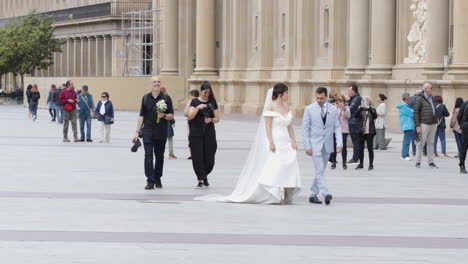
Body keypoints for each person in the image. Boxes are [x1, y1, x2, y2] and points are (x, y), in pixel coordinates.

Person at [195, 84, 301, 204]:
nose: (288, 95)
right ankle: (276, 193)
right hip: (276, 140)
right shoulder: (271, 107)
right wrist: (271, 142)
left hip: (285, 141)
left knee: (288, 166)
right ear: (281, 94)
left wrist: (293, 141)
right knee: (276, 167)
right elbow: (268, 126)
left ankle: (287, 192)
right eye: (286, 93)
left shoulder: (286, 107)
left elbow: (290, 126)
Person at [133, 76, 174, 190]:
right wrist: (137, 132)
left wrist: (164, 115)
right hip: (148, 131)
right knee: (148, 156)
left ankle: (158, 178)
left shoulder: (166, 98)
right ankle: (150, 180)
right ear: (151, 84)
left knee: (159, 157)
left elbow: (171, 115)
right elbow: (141, 115)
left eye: (158, 82)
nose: (156, 83)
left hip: (161, 131)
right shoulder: (145, 98)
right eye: (154, 82)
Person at [303, 87, 342, 205]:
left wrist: (340, 143)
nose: (319, 100)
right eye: (317, 98)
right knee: (319, 169)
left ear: (326, 97)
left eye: (321, 98)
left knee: (320, 171)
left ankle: (312, 194)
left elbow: (337, 127)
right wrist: (307, 146)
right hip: (314, 145)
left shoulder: (333, 109)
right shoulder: (309, 109)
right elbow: (305, 129)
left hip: (328, 145)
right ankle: (326, 193)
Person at [188, 81, 220, 189]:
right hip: (195, 133)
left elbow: (217, 119)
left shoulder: (212, 102)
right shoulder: (194, 101)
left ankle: (205, 174)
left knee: (209, 157)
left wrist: (210, 119)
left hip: (209, 133)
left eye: (208, 93)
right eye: (205, 92)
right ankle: (200, 179)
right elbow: (190, 116)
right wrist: (198, 108)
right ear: (201, 91)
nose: (206, 94)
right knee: (197, 157)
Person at [413, 82, 439, 169]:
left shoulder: (432, 98)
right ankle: (418, 162)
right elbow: (415, 113)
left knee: (431, 143)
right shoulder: (419, 99)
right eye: (431, 88)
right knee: (421, 143)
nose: (432, 89)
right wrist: (417, 126)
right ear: (426, 89)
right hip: (424, 123)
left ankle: (431, 162)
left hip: (433, 123)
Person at [356, 97, 377, 170]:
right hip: (361, 132)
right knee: (360, 149)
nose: (365, 102)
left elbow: (375, 116)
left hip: (370, 132)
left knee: (370, 148)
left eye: (367, 101)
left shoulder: (372, 109)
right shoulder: (360, 109)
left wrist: (369, 108)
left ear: (370, 102)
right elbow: (355, 115)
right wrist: (360, 108)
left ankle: (371, 164)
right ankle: (361, 164)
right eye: (364, 101)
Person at [347, 85, 362, 164]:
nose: (348, 92)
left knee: (355, 141)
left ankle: (355, 158)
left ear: (353, 91)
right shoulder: (353, 98)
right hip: (353, 122)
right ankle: (357, 157)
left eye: (349, 90)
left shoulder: (357, 98)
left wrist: (346, 103)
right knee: (356, 141)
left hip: (354, 123)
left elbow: (350, 109)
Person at [397, 93, 415, 161]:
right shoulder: (404, 106)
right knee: (407, 141)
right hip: (407, 125)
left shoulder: (405, 105)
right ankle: (405, 155)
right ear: (407, 99)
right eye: (409, 99)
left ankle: (404, 154)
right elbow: (412, 113)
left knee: (406, 140)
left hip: (408, 125)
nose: (410, 100)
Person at [335, 94, 350, 169]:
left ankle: (344, 162)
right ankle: (333, 161)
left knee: (343, 146)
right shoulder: (335, 108)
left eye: (341, 100)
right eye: (338, 101)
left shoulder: (346, 108)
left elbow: (348, 116)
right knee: (334, 145)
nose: (339, 102)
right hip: (335, 130)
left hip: (344, 130)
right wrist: (335, 108)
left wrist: (343, 108)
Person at [184, 90, 200, 159]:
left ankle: (192, 154)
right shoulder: (201, 101)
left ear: (193, 95)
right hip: (200, 123)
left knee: (191, 138)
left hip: (191, 123)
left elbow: (186, 113)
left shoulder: (191, 102)